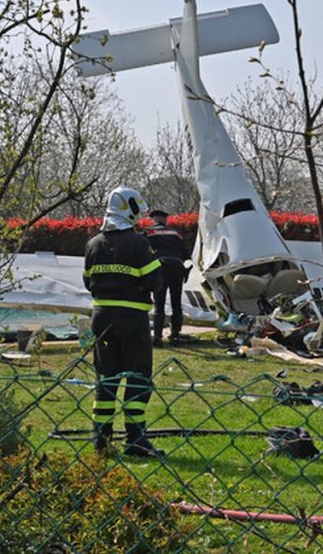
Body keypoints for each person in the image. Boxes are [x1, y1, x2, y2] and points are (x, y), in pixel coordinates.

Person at [83, 186, 163, 458]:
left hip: (101, 318)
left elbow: (87, 282)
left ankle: (101, 440)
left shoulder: (93, 244)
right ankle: (136, 439)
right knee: (138, 377)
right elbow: (155, 281)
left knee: (106, 378)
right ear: (127, 209)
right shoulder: (139, 243)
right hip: (132, 319)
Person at [145, 209, 191, 347]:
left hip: (160, 267)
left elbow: (143, 252)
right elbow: (185, 253)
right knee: (176, 302)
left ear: (153, 220)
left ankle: (157, 338)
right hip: (177, 267)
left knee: (159, 303)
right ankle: (175, 335)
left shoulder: (148, 232)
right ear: (165, 220)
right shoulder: (175, 233)